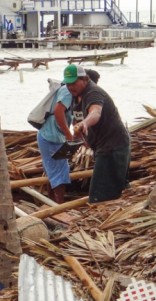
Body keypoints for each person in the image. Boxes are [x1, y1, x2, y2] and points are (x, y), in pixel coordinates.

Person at [64, 64, 130, 203]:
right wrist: (80, 135)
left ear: (84, 79)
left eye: (74, 83)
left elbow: (95, 113)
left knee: (100, 193)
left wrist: (85, 124)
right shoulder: (75, 95)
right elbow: (76, 118)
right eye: (68, 84)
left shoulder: (94, 93)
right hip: (100, 146)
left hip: (114, 146)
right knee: (109, 188)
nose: (70, 87)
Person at [37, 81, 74, 204]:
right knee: (60, 172)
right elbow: (59, 111)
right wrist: (69, 134)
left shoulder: (64, 90)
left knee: (51, 169)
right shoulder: (68, 91)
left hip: (46, 134)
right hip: (53, 137)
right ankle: (59, 205)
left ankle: (52, 202)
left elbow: (70, 115)